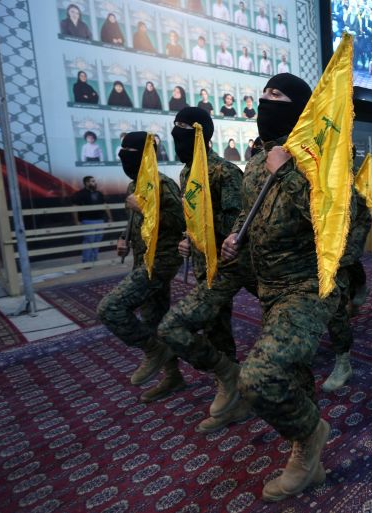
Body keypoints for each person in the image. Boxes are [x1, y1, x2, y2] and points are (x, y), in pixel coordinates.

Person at [220, 73, 335, 501]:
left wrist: (286, 172)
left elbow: (331, 220)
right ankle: (309, 463)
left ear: (299, 109)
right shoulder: (255, 163)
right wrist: (235, 237)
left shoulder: (320, 158)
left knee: (258, 378)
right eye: (264, 93)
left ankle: (311, 434)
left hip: (307, 286)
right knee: (295, 375)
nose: (265, 100)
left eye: (277, 94)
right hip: (268, 287)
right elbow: (248, 214)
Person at [155, 108, 257, 430]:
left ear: (201, 133)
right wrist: (188, 240)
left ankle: (237, 384)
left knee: (193, 325)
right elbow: (192, 219)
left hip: (229, 266)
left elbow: (236, 226)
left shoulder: (224, 172)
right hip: (204, 267)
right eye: (174, 127)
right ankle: (232, 390)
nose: (177, 133)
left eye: (183, 127)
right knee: (216, 330)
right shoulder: (187, 173)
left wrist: (205, 235)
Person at [97, 132, 185, 388]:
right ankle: (173, 377)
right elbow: (136, 223)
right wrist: (123, 239)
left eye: (130, 153)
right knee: (154, 320)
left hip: (160, 263)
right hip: (141, 261)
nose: (124, 157)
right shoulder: (133, 186)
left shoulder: (163, 184)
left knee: (110, 308)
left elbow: (182, 223)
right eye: (122, 151)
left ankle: (154, 350)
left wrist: (146, 209)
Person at [322, 149, 372, 392]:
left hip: (344, 244)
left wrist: (351, 248)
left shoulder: (355, 179)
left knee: (335, 303)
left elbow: (363, 215)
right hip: (316, 248)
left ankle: (342, 360)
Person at [72, 176, 113, 264]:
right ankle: (86, 261)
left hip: (100, 220)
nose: (95, 183)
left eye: (94, 181)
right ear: (87, 183)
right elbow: (75, 207)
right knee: (88, 241)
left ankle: (94, 258)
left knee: (97, 241)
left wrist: (110, 217)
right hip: (87, 220)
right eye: (93, 181)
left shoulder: (99, 193)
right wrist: (76, 221)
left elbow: (105, 206)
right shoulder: (80, 194)